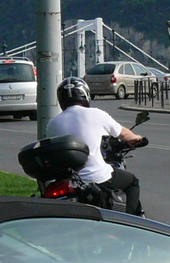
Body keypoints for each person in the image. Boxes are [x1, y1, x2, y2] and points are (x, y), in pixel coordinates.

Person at [48, 78, 144, 215]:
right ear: (85, 95)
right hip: (97, 177)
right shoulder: (96, 114)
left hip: (69, 181)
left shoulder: (52, 123)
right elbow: (123, 133)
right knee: (132, 182)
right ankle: (129, 223)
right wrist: (136, 138)